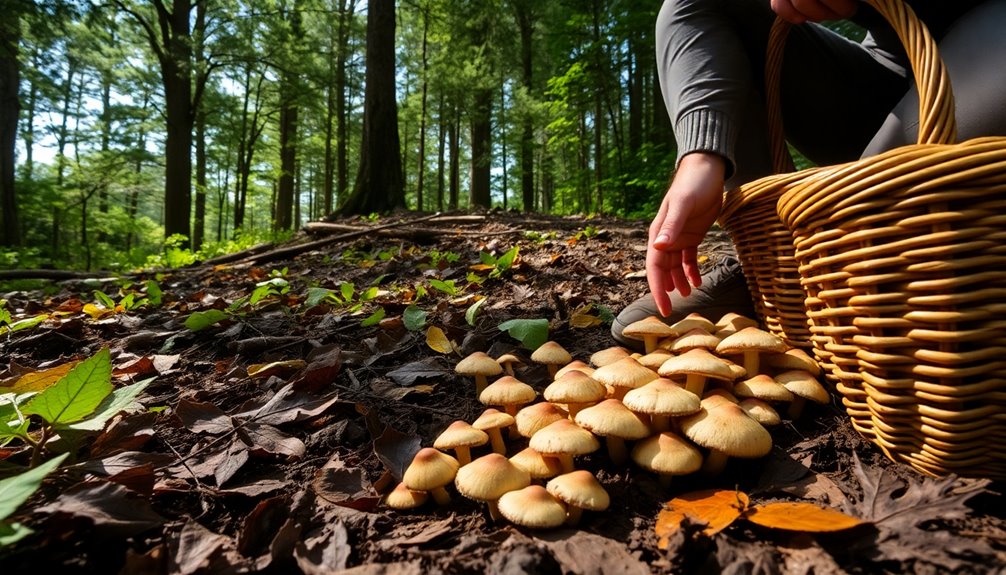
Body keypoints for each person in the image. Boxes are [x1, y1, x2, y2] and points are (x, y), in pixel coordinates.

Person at [611, 0, 1006, 350]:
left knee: (876, 192)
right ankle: (766, 268)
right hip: (885, 69)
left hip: (991, 37)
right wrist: (701, 155)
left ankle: (860, 267)